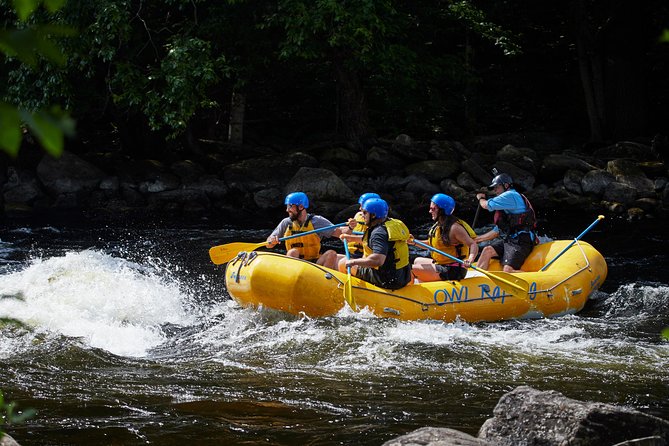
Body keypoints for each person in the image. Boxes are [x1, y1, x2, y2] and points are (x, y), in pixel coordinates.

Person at [338, 197, 412, 290]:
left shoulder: (378, 233)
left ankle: (356, 290)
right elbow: (377, 242)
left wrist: (353, 262)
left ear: (373, 215)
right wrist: (350, 238)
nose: (362, 215)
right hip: (403, 276)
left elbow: (378, 260)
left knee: (343, 263)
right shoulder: (390, 224)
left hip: (387, 280)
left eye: (365, 213)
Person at [475, 173, 537, 272]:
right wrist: (477, 239)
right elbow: (497, 231)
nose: (495, 190)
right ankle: (476, 280)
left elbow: (487, 205)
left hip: (522, 240)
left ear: (506, 186)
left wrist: (481, 198)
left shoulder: (510, 195)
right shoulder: (507, 206)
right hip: (511, 239)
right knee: (487, 250)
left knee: (508, 270)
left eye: (497, 187)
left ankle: (535, 279)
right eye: (494, 188)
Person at [409, 193, 478, 282]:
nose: (430, 211)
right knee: (417, 261)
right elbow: (432, 244)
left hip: (453, 270)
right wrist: (414, 242)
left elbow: (473, 244)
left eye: (432, 209)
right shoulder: (439, 225)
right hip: (443, 264)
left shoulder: (454, 228)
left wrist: (470, 259)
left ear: (441, 210)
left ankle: (409, 292)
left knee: (410, 269)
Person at [266, 192, 343, 269]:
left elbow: (339, 233)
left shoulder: (317, 221)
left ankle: (325, 279)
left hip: (315, 262)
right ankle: (292, 277)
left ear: (301, 207)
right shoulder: (286, 222)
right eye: (287, 206)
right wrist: (271, 240)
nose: (287, 210)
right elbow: (268, 245)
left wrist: (349, 228)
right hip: (297, 264)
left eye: (290, 206)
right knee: (293, 252)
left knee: (331, 254)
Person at [338, 192, 380, 261]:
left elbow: (371, 238)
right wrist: (350, 227)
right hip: (352, 252)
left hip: (365, 255)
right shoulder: (358, 215)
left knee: (341, 261)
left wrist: (351, 238)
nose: (360, 208)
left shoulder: (377, 222)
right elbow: (352, 232)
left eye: (362, 206)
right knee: (330, 254)